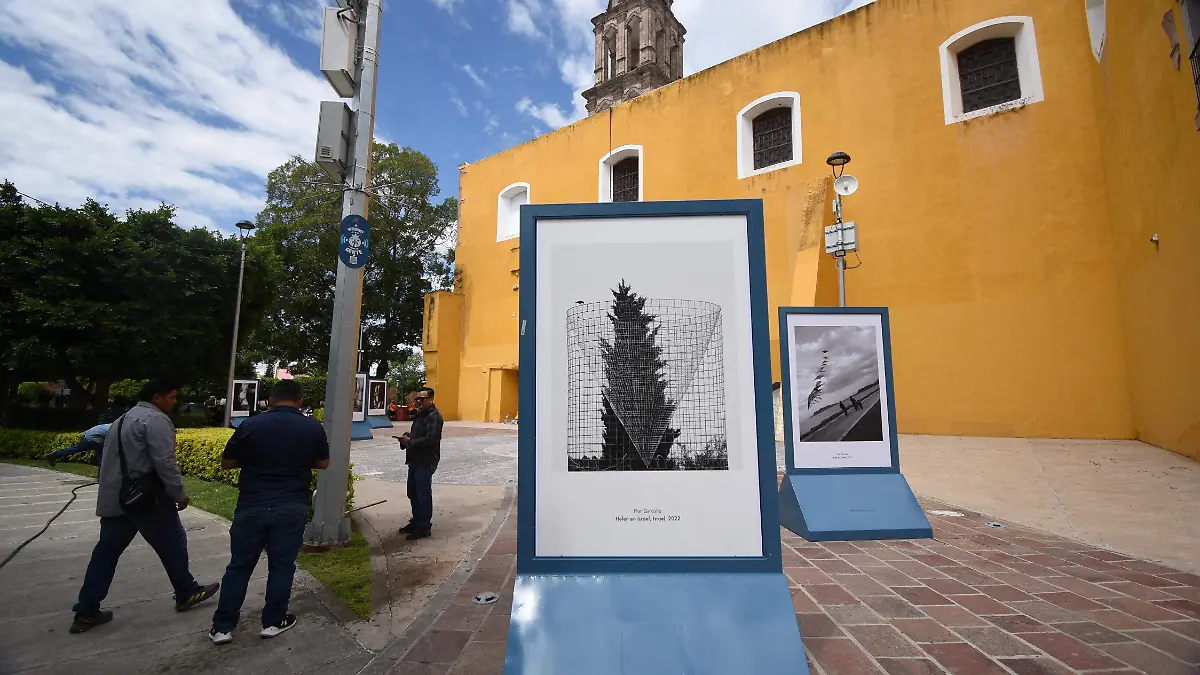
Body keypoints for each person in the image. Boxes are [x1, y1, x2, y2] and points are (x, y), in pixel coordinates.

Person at [69, 379, 220, 634]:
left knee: (105, 554)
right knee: (173, 542)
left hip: (118, 499)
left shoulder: (121, 420)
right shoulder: (155, 420)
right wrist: (178, 494)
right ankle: (186, 591)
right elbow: (165, 462)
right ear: (157, 397)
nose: (175, 402)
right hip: (146, 500)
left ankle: (86, 610)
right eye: (172, 397)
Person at [209, 379, 330, 645]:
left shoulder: (250, 425)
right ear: (299, 400)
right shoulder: (312, 426)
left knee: (239, 566)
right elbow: (323, 462)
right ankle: (273, 622)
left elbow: (227, 463)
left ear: (271, 400)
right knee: (282, 565)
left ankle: (223, 627)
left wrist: (254, 460)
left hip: (252, 504)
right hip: (291, 504)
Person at [395, 387, 443, 541]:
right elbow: (418, 436)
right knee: (413, 493)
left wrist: (410, 442)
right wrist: (407, 438)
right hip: (414, 460)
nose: (418, 402)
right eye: (417, 399)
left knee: (423, 494)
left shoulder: (434, 417)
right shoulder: (420, 415)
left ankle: (423, 527)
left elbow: (430, 439)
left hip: (425, 460)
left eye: (422, 399)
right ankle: (416, 521)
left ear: (431, 399)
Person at [46, 423, 110, 470]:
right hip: (94, 437)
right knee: (101, 455)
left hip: (88, 435)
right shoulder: (115, 429)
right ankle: (101, 477)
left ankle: (55, 454)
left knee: (77, 449)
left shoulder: (113, 426)